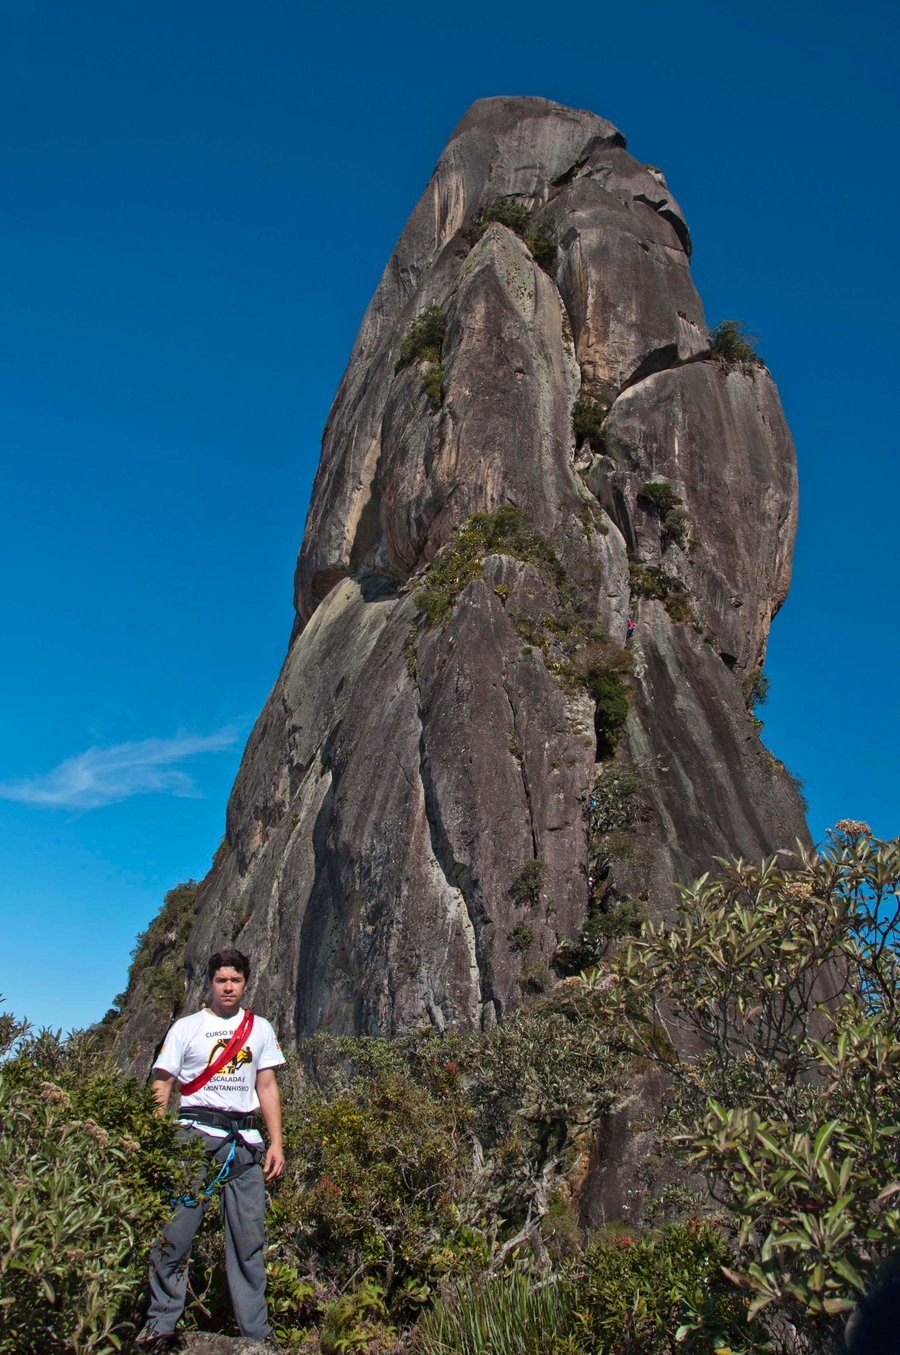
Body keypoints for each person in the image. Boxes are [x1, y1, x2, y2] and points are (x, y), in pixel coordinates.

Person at [137, 948, 285, 1352]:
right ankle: (160, 1327)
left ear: (246, 983)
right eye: (221, 980)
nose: (228, 987)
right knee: (175, 1236)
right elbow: (162, 1086)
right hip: (192, 1139)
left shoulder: (260, 1029)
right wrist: (155, 1142)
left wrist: (276, 1142)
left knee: (248, 1242)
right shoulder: (186, 1028)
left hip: (244, 1145)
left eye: (235, 980)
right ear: (210, 983)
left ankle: (256, 1333)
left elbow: (267, 1086)